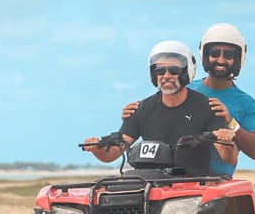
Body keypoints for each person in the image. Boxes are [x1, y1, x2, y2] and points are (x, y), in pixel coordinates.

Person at [122, 23, 255, 177]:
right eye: (215, 54)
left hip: (217, 181)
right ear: (205, 55)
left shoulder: (246, 103)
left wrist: (231, 122)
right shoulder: (184, 89)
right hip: (176, 178)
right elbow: (157, 110)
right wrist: (135, 113)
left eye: (228, 55)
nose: (220, 60)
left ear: (237, 59)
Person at [84, 40, 237, 168]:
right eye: (160, 71)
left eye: (173, 71)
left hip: (192, 187)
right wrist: (96, 148)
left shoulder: (207, 107)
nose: (166, 76)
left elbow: (229, 157)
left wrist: (226, 139)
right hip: (148, 185)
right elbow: (113, 154)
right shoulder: (141, 109)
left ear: (186, 72)